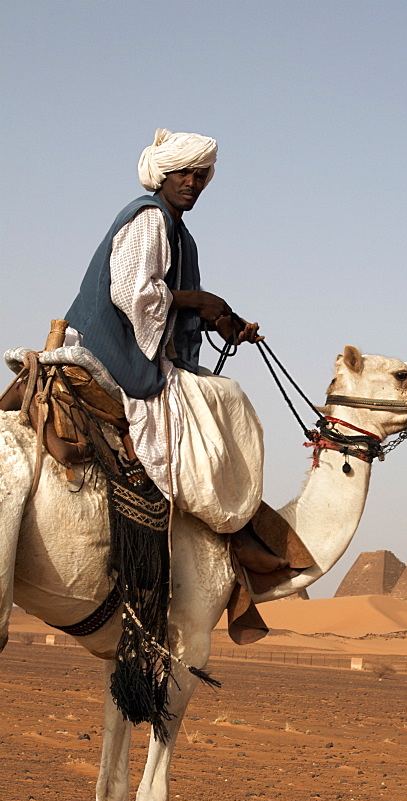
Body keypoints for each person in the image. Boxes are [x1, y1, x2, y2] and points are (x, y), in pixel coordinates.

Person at [65, 129, 287, 577]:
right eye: (183, 172)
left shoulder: (179, 232)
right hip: (111, 345)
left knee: (220, 395)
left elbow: (172, 302)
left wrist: (222, 320)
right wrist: (201, 302)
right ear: (162, 174)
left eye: (200, 175)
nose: (191, 182)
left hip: (139, 345)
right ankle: (231, 530)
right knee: (214, 403)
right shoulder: (148, 218)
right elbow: (133, 294)